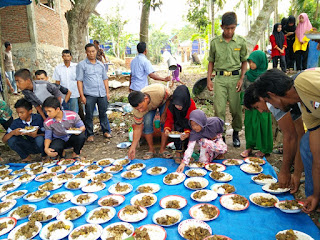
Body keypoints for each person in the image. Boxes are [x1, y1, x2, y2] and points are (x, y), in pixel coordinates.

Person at [253, 68, 320, 213]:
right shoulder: (306, 108)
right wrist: (315, 195)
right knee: (307, 145)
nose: (272, 108)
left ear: (271, 95)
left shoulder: (303, 82)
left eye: (267, 102)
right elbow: (317, 158)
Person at [244, 82, 304, 194]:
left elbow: (291, 136)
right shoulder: (276, 100)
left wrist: (285, 171)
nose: (261, 111)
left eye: (257, 107)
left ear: (262, 97)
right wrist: (296, 173)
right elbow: (298, 135)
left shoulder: (274, 103)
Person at [206, 12, 247, 147]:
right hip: (220, 78)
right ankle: (221, 136)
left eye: (233, 28)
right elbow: (211, 62)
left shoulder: (241, 41)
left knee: (236, 109)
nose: (230, 31)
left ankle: (236, 133)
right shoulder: (215, 42)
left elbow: (244, 62)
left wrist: (241, 79)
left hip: (235, 78)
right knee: (219, 109)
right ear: (222, 27)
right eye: (227, 28)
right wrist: (209, 80)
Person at [241, 50, 273, 158]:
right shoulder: (247, 75)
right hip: (250, 107)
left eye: (253, 62)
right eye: (249, 62)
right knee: (250, 126)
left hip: (263, 107)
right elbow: (243, 90)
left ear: (260, 62)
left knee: (263, 126)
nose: (251, 65)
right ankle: (249, 147)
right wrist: (244, 103)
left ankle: (264, 149)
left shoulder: (266, 76)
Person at [77, 43, 111, 141]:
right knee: (89, 115)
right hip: (89, 94)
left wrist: (107, 93)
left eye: (93, 51)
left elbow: (105, 79)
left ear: (96, 51)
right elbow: (79, 81)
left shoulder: (100, 64)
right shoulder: (82, 65)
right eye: (89, 52)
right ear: (86, 52)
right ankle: (90, 134)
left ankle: (106, 131)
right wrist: (82, 95)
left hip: (101, 93)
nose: (91, 54)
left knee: (103, 113)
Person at [128, 83, 171, 160]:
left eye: (141, 107)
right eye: (138, 109)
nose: (140, 110)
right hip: (150, 106)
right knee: (147, 122)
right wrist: (133, 147)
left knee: (164, 122)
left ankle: (163, 149)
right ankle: (151, 149)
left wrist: (164, 113)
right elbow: (137, 128)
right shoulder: (137, 110)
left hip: (164, 101)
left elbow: (170, 98)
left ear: (146, 99)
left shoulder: (159, 92)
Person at [2, 98, 45, 162]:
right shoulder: (16, 122)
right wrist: (12, 133)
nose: (19, 115)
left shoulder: (39, 118)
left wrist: (36, 135)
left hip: (42, 145)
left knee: (39, 139)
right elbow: (4, 140)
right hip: (28, 146)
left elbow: (49, 134)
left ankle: (44, 155)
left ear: (30, 111)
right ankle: (25, 157)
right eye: (18, 113)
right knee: (11, 140)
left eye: (22, 113)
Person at [164, 85, 197, 163]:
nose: (177, 107)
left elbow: (192, 121)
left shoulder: (191, 105)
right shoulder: (172, 105)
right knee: (176, 132)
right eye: (176, 105)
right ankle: (178, 152)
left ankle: (187, 152)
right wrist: (167, 129)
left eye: (180, 105)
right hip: (177, 122)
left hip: (188, 123)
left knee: (188, 137)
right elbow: (169, 119)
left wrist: (187, 133)